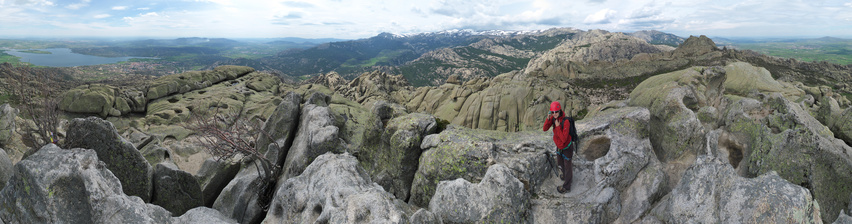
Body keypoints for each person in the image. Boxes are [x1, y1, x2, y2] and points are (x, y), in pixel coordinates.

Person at [543, 101, 573, 193]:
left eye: (556, 111)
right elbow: (545, 129)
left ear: (560, 111)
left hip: (567, 147)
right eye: (552, 112)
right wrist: (548, 119)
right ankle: (565, 175)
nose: (554, 114)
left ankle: (567, 187)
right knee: (560, 163)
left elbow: (564, 139)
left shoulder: (566, 121)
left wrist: (558, 127)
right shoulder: (552, 118)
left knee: (568, 166)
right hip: (559, 146)